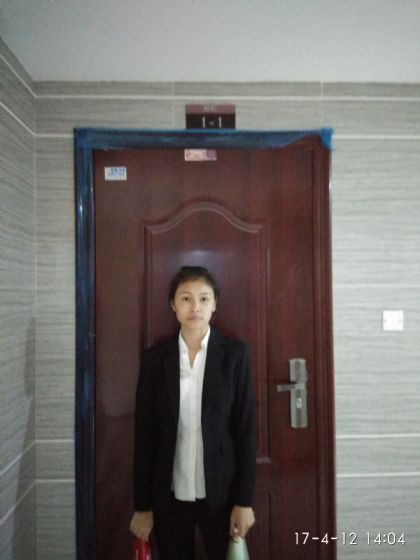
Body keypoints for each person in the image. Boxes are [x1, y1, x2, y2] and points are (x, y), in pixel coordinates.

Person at [129, 265, 256, 560]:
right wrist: (142, 506)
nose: (195, 307)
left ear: (215, 305)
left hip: (221, 495)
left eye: (204, 299)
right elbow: (145, 436)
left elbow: (245, 432)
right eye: (186, 298)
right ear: (173, 304)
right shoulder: (155, 360)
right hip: (169, 494)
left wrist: (244, 501)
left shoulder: (234, 356)